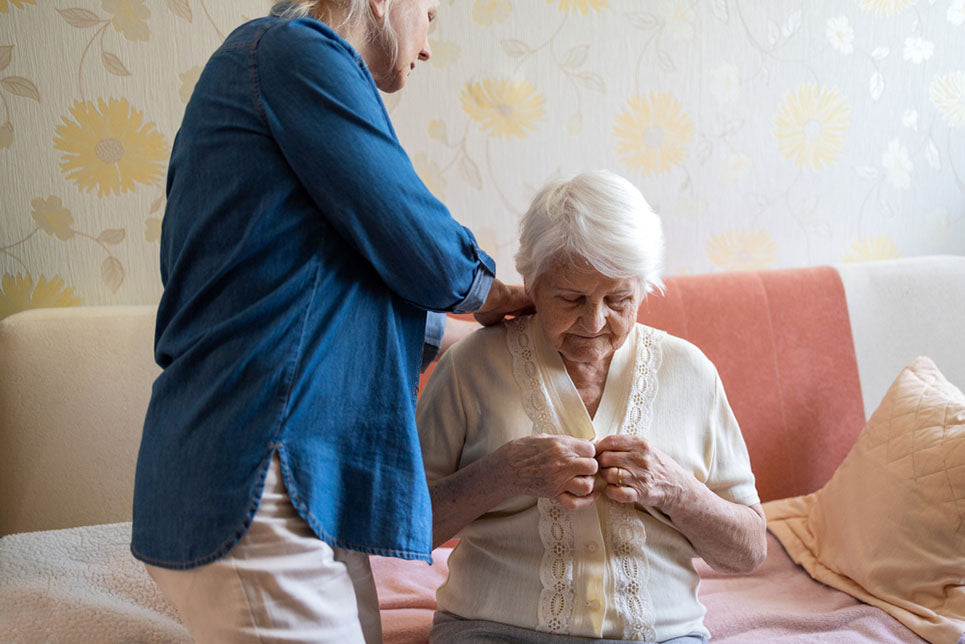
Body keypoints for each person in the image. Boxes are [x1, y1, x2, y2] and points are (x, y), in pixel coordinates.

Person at [130, 1, 529, 642]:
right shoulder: (293, 50)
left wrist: (485, 335)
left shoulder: (265, 74)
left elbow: (316, 290)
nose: (427, 47)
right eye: (428, 16)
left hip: (284, 486)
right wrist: (491, 291)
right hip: (258, 479)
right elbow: (410, 231)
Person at [416, 170, 767, 644]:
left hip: (661, 636)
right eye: (571, 298)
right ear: (532, 284)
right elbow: (404, 528)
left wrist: (674, 489)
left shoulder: (690, 372)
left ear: (643, 288)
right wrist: (504, 473)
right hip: (493, 631)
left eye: (619, 298)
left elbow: (748, 550)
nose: (595, 320)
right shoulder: (469, 366)